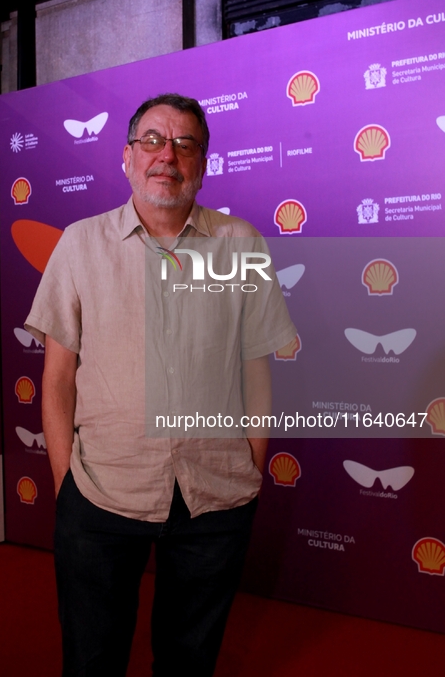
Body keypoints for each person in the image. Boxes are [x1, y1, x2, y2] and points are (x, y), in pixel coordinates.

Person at [25, 93, 296, 676]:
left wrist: (251, 460)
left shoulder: (242, 244)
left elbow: (255, 366)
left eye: (184, 143)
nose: (166, 155)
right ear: (126, 157)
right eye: (152, 140)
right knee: (92, 658)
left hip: (216, 492)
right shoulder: (78, 244)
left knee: (188, 660)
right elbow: (56, 378)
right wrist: (66, 484)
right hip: (100, 490)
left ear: (202, 163)